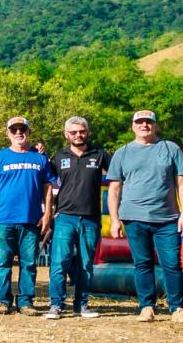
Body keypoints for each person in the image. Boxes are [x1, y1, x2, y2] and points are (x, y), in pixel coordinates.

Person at [106, 110, 183, 323]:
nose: (144, 126)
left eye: (148, 122)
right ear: (132, 126)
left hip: (167, 219)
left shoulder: (170, 148)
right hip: (133, 218)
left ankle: (177, 307)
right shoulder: (122, 153)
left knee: (171, 263)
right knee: (142, 263)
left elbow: (182, 183)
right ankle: (146, 307)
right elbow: (114, 189)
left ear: (155, 125)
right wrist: (114, 219)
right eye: (140, 122)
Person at [0, 116, 55, 316]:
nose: (18, 133)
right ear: (8, 134)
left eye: (22, 129)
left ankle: (26, 302)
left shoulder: (40, 158)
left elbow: (48, 188)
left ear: (29, 132)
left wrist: (47, 214)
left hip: (31, 219)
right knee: (3, 264)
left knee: (29, 263)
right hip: (3, 220)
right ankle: (3, 301)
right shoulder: (0, 157)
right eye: (14, 130)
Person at [46, 117, 111, 319]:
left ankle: (81, 304)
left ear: (87, 132)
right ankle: (56, 305)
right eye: (73, 132)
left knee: (86, 264)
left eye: (82, 131)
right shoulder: (58, 156)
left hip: (91, 218)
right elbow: (46, 183)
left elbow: (119, 177)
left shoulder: (100, 155)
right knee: (60, 262)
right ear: (66, 135)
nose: (78, 135)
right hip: (65, 217)